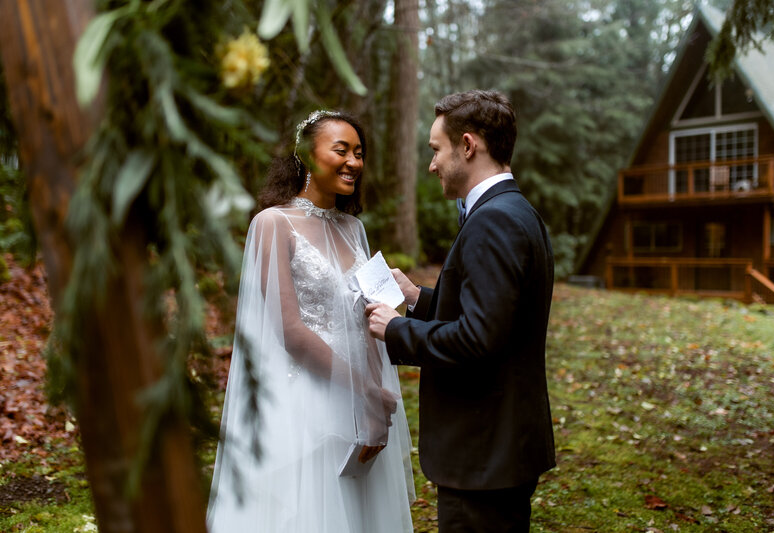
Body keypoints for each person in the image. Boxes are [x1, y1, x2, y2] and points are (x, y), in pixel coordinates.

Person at [207, 110, 414, 533]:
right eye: (341, 150)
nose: (354, 162)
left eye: (359, 152)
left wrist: (374, 399)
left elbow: (371, 320)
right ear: (305, 154)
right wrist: (364, 388)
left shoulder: (354, 229)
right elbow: (291, 332)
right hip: (301, 400)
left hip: (361, 399)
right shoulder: (272, 224)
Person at [366, 90, 556, 533]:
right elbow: (499, 313)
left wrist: (396, 330)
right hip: (499, 448)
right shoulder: (515, 210)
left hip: (483, 453)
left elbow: (478, 338)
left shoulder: (494, 220)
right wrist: (418, 298)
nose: (431, 164)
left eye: (436, 150)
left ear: (468, 146)